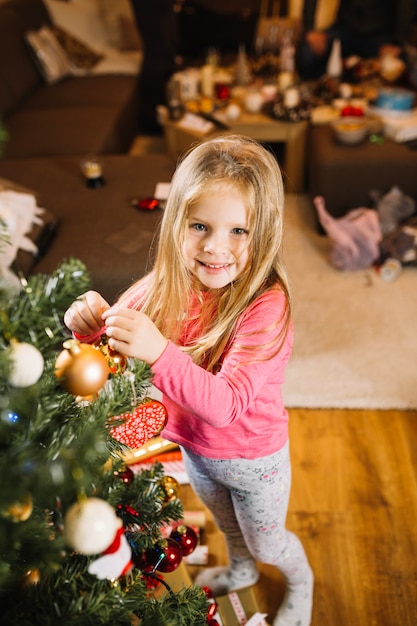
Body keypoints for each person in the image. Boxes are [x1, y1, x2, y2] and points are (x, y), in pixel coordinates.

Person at [63, 135, 314, 626]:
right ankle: (241, 570)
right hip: (197, 454)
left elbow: (225, 405)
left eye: (239, 230)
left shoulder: (268, 305)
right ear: (176, 221)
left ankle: (301, 579)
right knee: (228, 527)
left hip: (256, 461)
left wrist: (160, 350)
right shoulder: (164, 283)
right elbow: (106, 346)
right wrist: (85, 325)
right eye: (199, 225)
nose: (215, 247)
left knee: (267, 540)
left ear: (264, 231)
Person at [297, 0, 417, 80]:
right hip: (344, 29)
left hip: (381, 35)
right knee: (307, 49)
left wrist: (397, 43)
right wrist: (309, 29)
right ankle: (311, 99)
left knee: (403, 64)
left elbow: (406, 5)